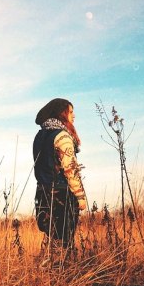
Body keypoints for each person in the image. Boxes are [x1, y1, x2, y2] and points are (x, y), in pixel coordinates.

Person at [32, 98, 87, 249]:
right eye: (70, 112)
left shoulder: (40, 136)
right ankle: (65, 271)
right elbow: (70, 169)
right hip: (61, 195)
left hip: (42, 194)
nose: (73, 116)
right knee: (65, 243)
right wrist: (80, 197)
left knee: (53, 241)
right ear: (61, 114)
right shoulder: (62, 136)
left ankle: (52, 271)